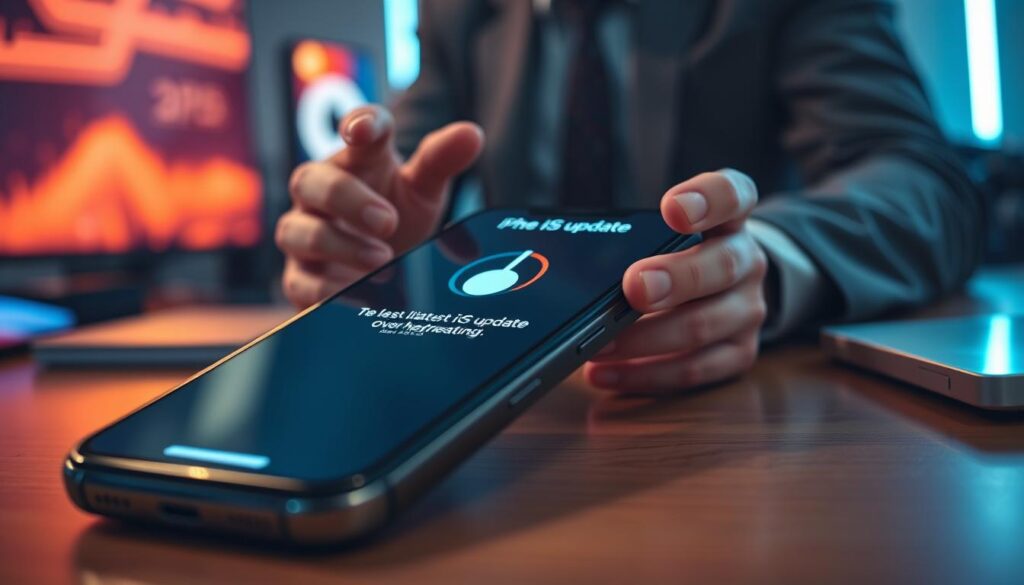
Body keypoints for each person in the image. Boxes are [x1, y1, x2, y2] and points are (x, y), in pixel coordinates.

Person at [275, 0, 982, 393]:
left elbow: (923, 181)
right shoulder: (458, 12)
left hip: (741, 405)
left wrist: (762, 256)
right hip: (528, 405)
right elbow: (404, 173)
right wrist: (374, 244)